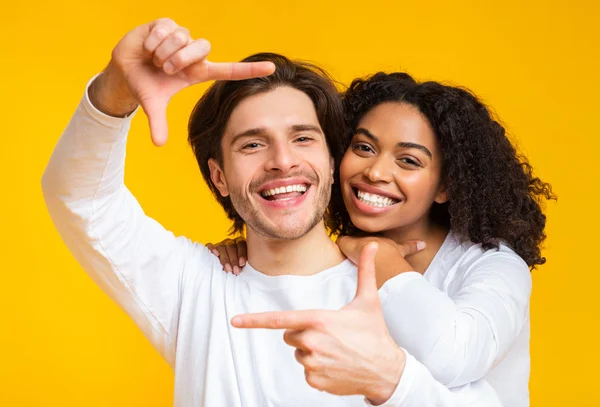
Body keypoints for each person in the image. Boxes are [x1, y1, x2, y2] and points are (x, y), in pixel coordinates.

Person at [41, 18, 480, 406]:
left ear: (331, 162)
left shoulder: (402, 287)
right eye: (252, 143)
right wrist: (115, 88)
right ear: (219, 178)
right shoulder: (193, 285)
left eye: (303, 138)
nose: (282, 161)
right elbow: (83, 198)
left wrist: (391, 380)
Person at [209, 73, 555, 407]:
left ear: (445, 186)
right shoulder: (341, 258)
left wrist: (380, 257)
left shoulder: (496, 266)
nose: (375, 172)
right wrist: (252, 259)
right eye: (364, 147)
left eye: (408, 160)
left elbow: (451, 357)